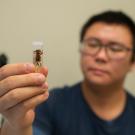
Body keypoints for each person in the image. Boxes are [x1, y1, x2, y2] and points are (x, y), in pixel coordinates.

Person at [0, 10, 135, 135]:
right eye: (93, 44)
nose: (101, 56)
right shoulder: (48, 103)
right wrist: (16, 125)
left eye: (115, 48)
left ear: (132, 62)